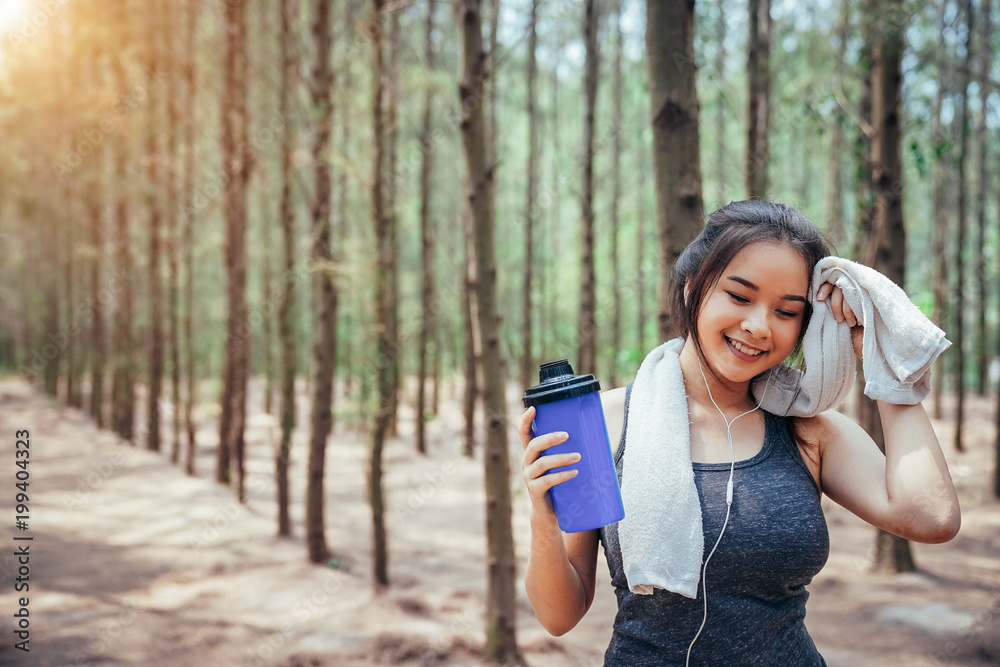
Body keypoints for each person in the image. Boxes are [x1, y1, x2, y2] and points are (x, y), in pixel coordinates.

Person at [518, 200, 961, 666]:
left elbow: (931, 518)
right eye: (740, 296)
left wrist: (882, 361)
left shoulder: (811, 432)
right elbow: (559, 615)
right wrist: (543, 518)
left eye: (786, 312)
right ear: (693, 287)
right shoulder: (607, 424)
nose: (758, 326)